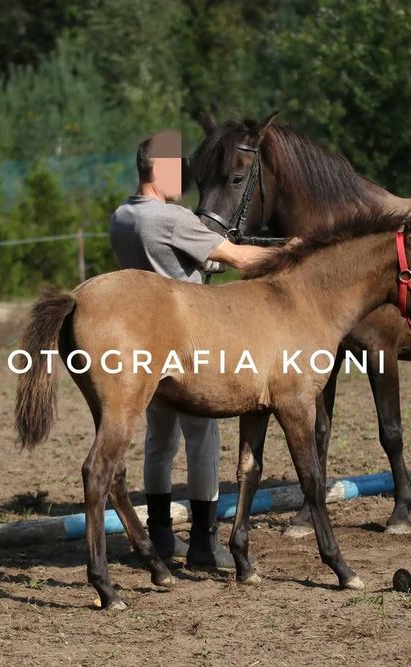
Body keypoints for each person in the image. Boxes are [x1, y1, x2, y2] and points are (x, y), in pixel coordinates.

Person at [110, 129, 275, 569]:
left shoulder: (122, 216)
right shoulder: (173, 218)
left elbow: (194, 257)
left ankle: (161, 535)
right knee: (203, 440)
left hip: (147, 339)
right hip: (189, 337)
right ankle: (205, 541)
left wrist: (210, 256)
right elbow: (238, 259)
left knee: (158, 442)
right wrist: (294, 250)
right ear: (160, 170)